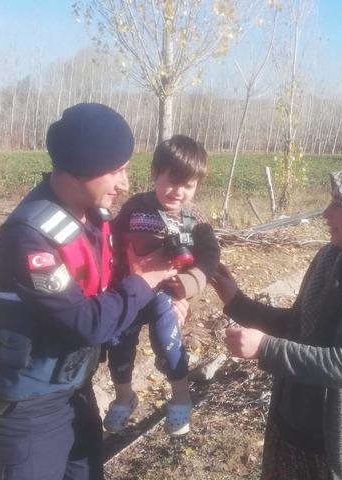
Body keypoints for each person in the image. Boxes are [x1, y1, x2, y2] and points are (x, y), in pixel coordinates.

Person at [0, 103, 184, 480]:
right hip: (27, 410)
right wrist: (146, 280)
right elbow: (87, 321)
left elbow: (118, 291)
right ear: (80, 170)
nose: (125, 183)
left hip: (74, 392)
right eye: (115, 170)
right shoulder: (29, 238)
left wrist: (166, 298)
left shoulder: (95, 217)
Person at [211, 167, 342, 480]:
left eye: (338, 204)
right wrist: (236, 302)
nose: (325, 213)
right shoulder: (333, 259)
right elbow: (296, 326)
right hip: (295, 426)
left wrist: (264, 348)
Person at [103, 135, 220, 435]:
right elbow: (111, 241)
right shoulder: (135, 207)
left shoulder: (196, 220)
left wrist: (187, 285)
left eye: (189, 185)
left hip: (166, 293)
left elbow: (209, 257)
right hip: (129, 288)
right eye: (172, 181)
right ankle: (124, 397)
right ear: (155, 173)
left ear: (198, 186)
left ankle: (181, 396)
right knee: (118, 341)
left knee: (168, 340)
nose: (178, 192)